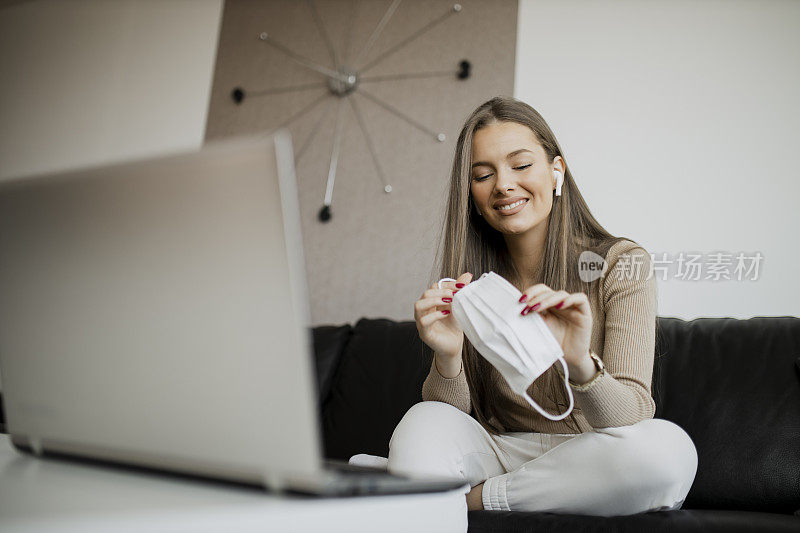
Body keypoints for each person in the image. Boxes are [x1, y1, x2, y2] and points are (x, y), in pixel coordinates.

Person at [382, 96, 698, 515]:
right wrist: (448, 356)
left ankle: (469, 503)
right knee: (423, 423)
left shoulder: (621, 263)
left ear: (556, 171)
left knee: (668, 452)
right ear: (471, 191)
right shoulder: (470, 284)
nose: (503, 185)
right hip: (500, 448)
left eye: (521, 164)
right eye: (482, 174)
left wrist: (580, 363)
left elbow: (632, 416)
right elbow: (451, 413)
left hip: (590, 457)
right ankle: (438, 499)